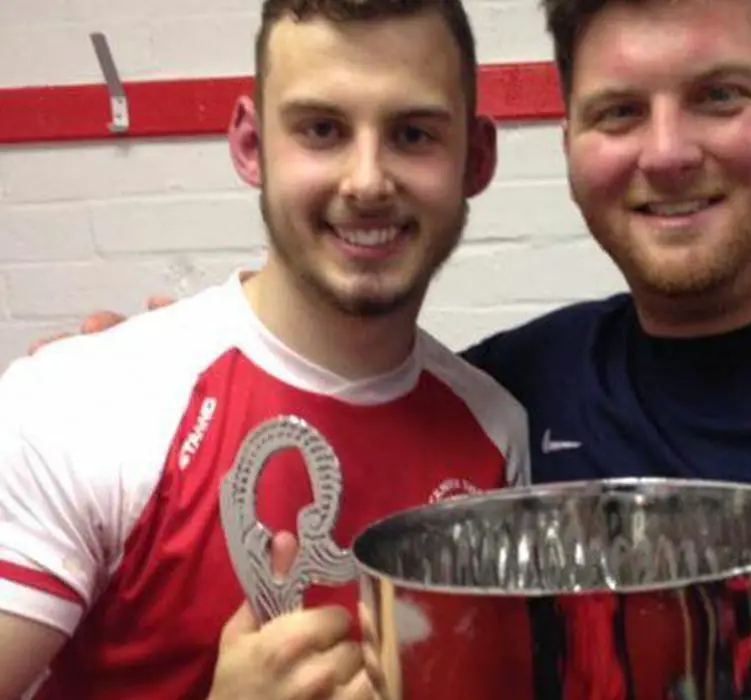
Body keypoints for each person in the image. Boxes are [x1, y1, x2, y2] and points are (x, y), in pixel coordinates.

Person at [27, 0, 751, 698]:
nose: (665, 151)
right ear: (569, 143)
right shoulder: (515, 391)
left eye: (718, 95)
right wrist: (118, 374)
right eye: (619, 111)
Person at [0, 0, 530, 698]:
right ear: (252, 146)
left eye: (412, 134)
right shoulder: (80, 407)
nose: (367, 182)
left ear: (477, 159)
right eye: (322, 130)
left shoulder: (496, 431)